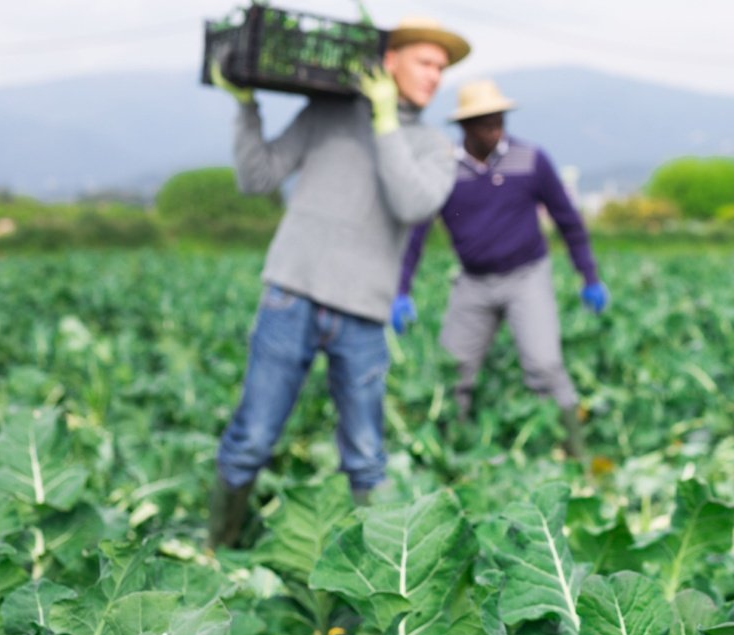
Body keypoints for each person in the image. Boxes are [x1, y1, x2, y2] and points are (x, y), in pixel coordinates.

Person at [205, 17, 470, 548]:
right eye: (425, 62)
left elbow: (412, 203)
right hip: (292, 293)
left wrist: (386, 121)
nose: (436, 75)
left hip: (362, 312)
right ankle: (217, 548)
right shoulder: (326, 112)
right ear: (388, 61)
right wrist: (245, 105)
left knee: (367, 456)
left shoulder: (435, 145)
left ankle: (380, 572)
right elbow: (256, 178)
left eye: (442, 68)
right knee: (252, 437)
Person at [395, 79, 608, 459]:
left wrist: (588, 276)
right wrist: (401, 290)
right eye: (484, 124)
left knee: (544, 365)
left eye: (498, 121)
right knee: (452, 371)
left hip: (526, 276)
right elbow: (417, 234)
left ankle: (576, 454)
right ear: (464, 127)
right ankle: (450, 455)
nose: (494, 130)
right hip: (473, 283)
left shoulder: (531, 160)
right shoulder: (444, 169)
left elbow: (568, 221)